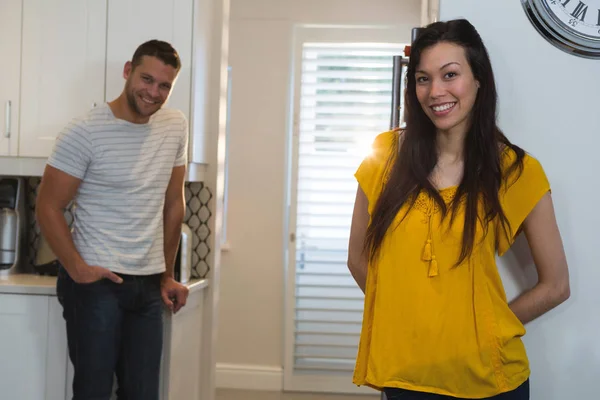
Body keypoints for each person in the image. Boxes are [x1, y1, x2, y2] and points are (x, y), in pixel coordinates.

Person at [347, 19, 570, 400]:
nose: (436, 91)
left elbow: (556, 286)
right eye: (422, 78)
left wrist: (481, 331)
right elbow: (358, 260)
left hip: (491, 381)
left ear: (478, 79)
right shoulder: (383, 156)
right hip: (404, 377)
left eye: (450, 74)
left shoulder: (516, 171)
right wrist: (408, 324)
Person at [36, 39, 190, 400]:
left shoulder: (175, 126)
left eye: (164, 85)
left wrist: (167, 272)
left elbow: (174, 203)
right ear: (127, 71)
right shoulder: (85, 131)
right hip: (96, 285)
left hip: (149, 284)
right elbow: (47, 205)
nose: (153, 92)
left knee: (143, 394)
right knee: (93, 392)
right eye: (146, 79)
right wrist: (77, 268)